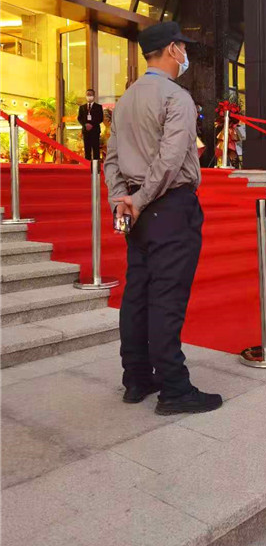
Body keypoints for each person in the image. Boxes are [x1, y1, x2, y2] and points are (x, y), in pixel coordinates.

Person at [104, 21, 222, 415]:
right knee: (167, 298)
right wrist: (139, 201)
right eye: (183, 47)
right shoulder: (176, 97)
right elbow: (170, 160)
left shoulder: (125, 100)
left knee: (137, 294)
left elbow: (111, 159)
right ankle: (174, 388)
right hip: (169, 207)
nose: (185, 54)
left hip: (136, 210)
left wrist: (122, 200)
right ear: (172, 49)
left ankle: (136, 378)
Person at [78, 89, 104, 161]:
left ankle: (96, 166)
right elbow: (79, 118)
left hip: (95, 131)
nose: (89, 96)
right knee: (87, 150)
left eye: (90, 95)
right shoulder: (82, 107)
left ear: (94, 96)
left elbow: (100, 118)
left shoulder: (98, 107)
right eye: (88, 95)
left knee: (96, 150)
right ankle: (87, 165)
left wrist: (92, 125)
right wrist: (85, 125)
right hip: (86, 131)